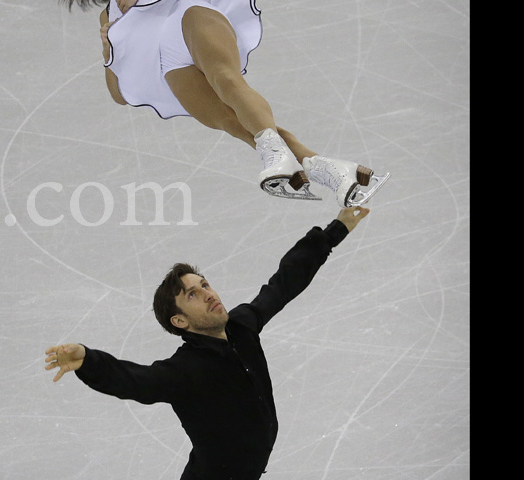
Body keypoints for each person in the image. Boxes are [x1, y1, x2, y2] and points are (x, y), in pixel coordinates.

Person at [41, 0, 388, 207]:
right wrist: (107, 50)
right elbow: (119, 94)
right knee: (228, 120)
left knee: (226, 80)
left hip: (191, 15)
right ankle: (329, 169)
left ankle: (284, 158)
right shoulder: (108, 16)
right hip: (169, 57)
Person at [45, 205, 371, 479]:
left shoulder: (241, 326)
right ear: (180, 321)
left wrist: (335, 231)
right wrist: (88, 360)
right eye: (193, 294)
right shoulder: (186, 370)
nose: (208, 293)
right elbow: (135, 381)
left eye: (204, 284)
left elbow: (285, 282)